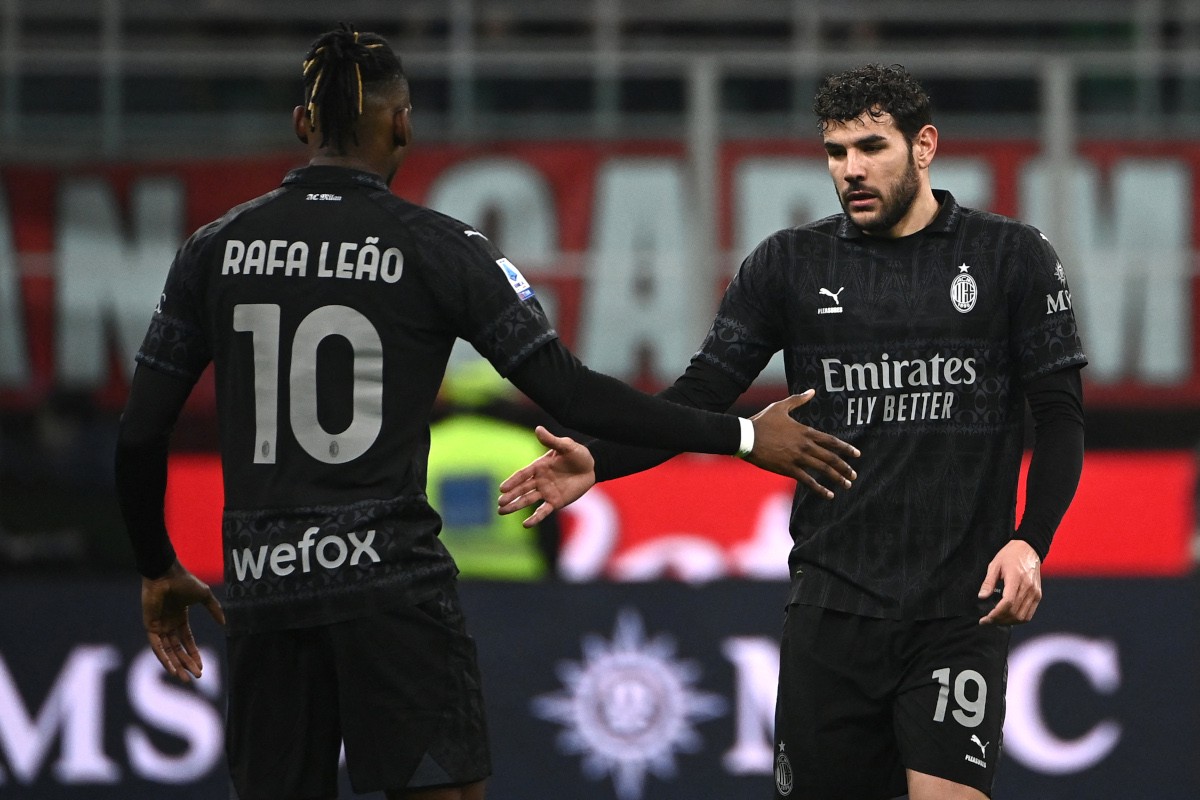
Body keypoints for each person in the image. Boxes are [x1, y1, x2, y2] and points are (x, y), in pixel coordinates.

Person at [112, 23, 860, 800]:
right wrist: (739, 433)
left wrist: (156, 565)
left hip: (264, 595)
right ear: (403, 124)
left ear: (302, 125)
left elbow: (139, 435)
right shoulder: (440, 248)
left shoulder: (215, 249)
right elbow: (569, 391)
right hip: (390, 592)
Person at [498, 63, 1087, 800]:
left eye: (871, 147)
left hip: (955, 610)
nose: (851, 170)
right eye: (836, 152)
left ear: (925, 145)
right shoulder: (789, 264)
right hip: (831, 609)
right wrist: (602, 463)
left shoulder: (1010, 257)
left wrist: (1032, 540)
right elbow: (703, 395)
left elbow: (1061, 416)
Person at [427, 354, 559, 580]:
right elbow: (547, 523)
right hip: (519, 580)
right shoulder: (525, 446)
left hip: (445, 578)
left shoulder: (428, 447)